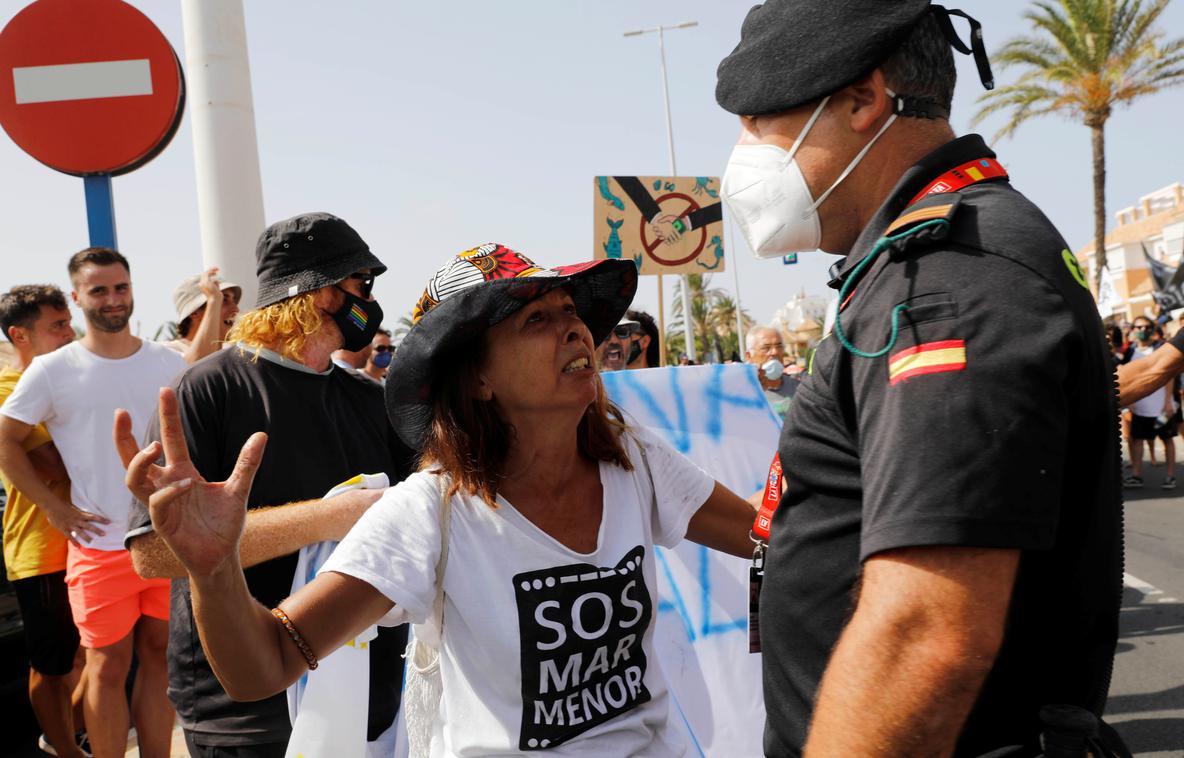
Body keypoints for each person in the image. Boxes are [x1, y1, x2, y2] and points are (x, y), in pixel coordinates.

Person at [123, 244, 759, 755]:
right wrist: (214, 569)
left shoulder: (633, 458)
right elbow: (265, 666)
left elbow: (770, 539)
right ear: (476, 377)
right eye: (537, 319)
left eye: (572, 312)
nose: (574, 331)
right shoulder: (430, 512)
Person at [715, 2, 1125, 754]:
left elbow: (927, 635)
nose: (742, 153)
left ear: (863, 100)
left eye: (758, 121)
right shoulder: (925, 262)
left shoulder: (944, 283)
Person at [118, 212, 414, 758]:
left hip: (367, 693)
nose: (369, 302)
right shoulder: (208, 388)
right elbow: (154, 555)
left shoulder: (372, 401)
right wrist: (332, 517)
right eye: (361, 285)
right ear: (319, 293)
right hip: (244, 706)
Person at [0, 248, 183, 758]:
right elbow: (6, 440)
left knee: (159, 661)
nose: (112, 299)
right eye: (98, 290)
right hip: (99, 545)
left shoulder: (171, 362)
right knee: (105, 667)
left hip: (164, 540)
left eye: (120, 288)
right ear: (77, 297)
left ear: (131, 289)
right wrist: (53, 509)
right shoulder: (52, 370)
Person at [0, 285, 88, 758]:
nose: (69, 333)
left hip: (86, 542)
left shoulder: (65, 382)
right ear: (20, 335)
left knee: (94, 653)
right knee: (50, 665)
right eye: (56, 326)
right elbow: (57, 464)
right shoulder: (7, 390)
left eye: (67, 322)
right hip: (40, 549)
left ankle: (64, 737)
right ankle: (63, 748)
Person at [1123, 318, 1176, 488]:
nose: (1142, 329)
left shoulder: (1160, 348)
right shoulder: (1130, 351)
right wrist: (1129, 400)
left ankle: (1170, 476)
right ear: (1133, 329)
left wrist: (1168, 402)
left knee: (1167, 440)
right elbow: (1127, 375)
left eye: (1146, 327)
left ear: (1152, 329)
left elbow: (1169, 375)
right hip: (1140, 407)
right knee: (1138, 440)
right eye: (1139, 327)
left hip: (1161, 407)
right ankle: (1137, 475)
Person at [163, 267, 242, 364]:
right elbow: (196, 370)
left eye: (233, 300)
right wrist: (214, 299)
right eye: (224, 300)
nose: (236, 309)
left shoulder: (238, 354)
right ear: (194, 313)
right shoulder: (168, 352)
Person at [743, 325, 798, 417]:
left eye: (779, 346)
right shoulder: (743, 394)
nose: (775, 352)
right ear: (749, 356)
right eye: (766, 348)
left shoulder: (799, 389)